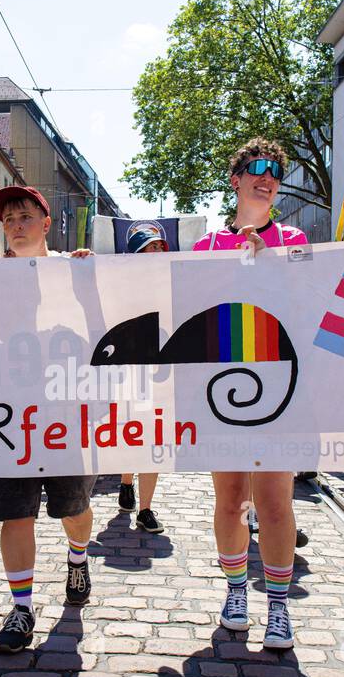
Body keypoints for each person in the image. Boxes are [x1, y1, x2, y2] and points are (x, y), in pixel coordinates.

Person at [193, 138, 308, 650]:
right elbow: (188, 311)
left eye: (276, 172)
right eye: (257, 168)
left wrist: (270, 263)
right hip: (223, 388)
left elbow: (308, 306)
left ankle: (278, 606)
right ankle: (237, 591)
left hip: (279, 387)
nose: (268, 177)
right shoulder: (206, 246)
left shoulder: (295, 238)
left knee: (276, 502)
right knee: (231, 501)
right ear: (235, 178)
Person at [0, 185, 96, 654]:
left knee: (74, 507)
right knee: (15, 512)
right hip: (5, 413)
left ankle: (78, 557)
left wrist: (89, 275)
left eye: (24, 216)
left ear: (46, 225)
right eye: (8, 220)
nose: (15, 225)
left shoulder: (71, 269)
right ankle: (22, 607)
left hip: (63, 410)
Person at [117, 223, 167, 533]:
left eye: (160, 246)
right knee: (129, 433)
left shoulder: (172, 280)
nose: (157, 251)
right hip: (126, 370)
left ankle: (145, 509)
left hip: (160, 371)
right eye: (151, 246)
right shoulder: (120, 282)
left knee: (153, 439)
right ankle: (125, 483)